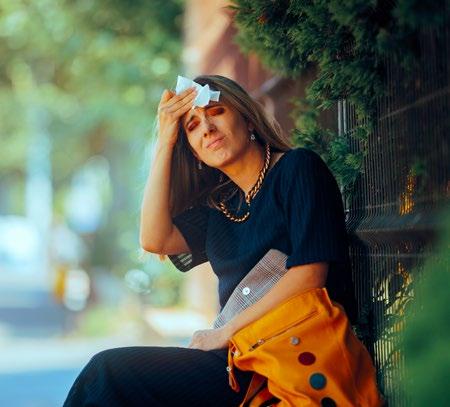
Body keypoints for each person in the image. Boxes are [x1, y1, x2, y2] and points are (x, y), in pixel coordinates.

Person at [63, 75, 368, 407]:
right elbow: (154, 239)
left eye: (217, 112)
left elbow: (310, 275)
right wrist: (165, 139)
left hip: (289, 352)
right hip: (239, 359)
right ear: (194, 151)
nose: (206, 129)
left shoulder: (298, 168)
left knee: (108, 373)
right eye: (193, 126)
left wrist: (225, 332)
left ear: (248, 119)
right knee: (107, 381)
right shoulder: (220, 208)